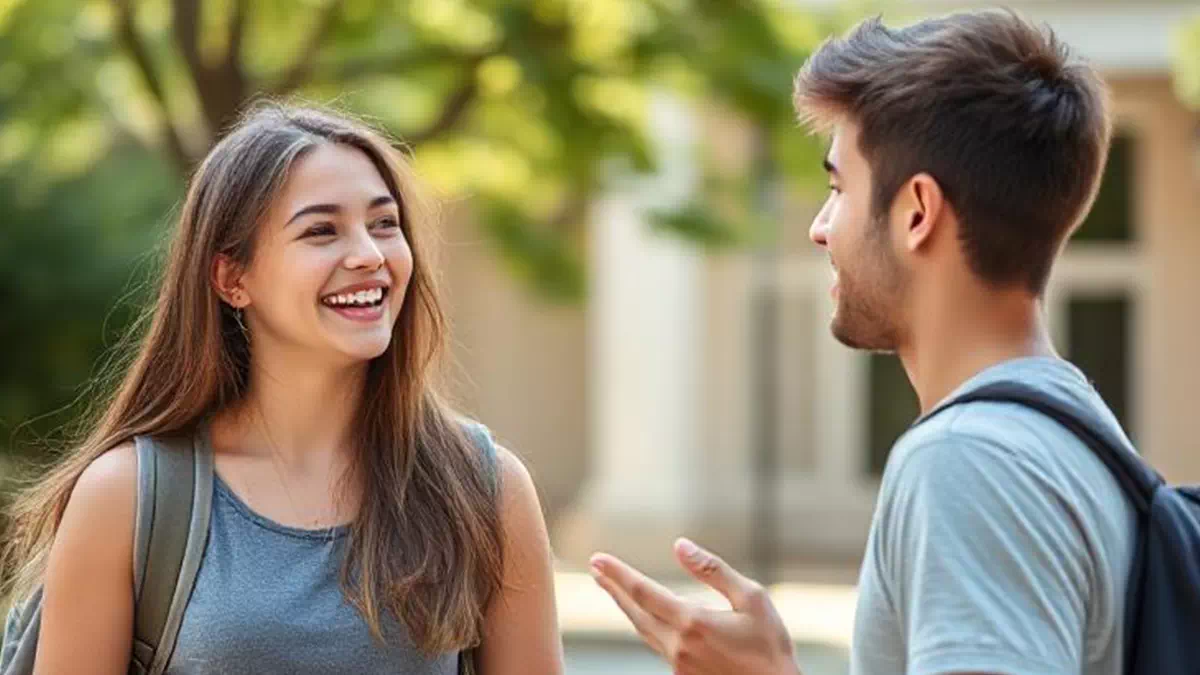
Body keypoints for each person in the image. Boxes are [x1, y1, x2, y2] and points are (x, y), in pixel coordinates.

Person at [590, 9, 1136, 675]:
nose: (821, 228)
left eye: (837, 186)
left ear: (916, 212)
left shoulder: (967, 461)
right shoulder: (1079, 434)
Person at [2, 103, 564, 674]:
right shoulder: (127, 498)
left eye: (384, 224)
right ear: (232, 278)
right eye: (322, 230)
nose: (369, 256)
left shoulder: (486, 490)